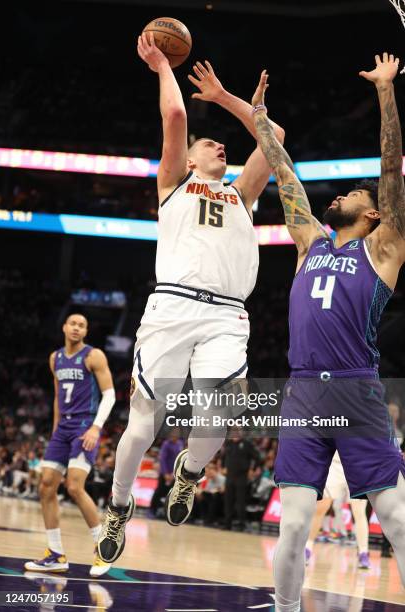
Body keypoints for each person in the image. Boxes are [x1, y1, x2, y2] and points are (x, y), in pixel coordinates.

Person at [97, 32, 285, 564]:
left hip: (227, 315)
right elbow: (176, 117)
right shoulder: (174, 183)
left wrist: (227, 98)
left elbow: (276, 138)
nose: (219, 146)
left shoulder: (242, 194)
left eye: (221, 144)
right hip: (172, 307)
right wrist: (161, 65)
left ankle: (189, 473)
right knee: (142, 423)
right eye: (211, 144)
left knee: (216, 417)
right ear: (191, 158)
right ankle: (118, 504)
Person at [252, 53, 405, 611]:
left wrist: (385, 92)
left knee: (395, 518)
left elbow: (392, 173)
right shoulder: (309, 242)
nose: (339, 195)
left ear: (373, 216)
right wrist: (260, 120)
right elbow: (285, 172)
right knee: (293, 527)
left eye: (354, 196)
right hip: (302, 393)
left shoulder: (383, 248)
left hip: (357, 387)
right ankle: (286, 608)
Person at [25, 314, 116, 577]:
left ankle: (104, 549)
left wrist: (96, 427)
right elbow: (57, 396)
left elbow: (109, 395)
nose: (76, 328)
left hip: (85, 425)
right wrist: (55, 430)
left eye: (82, 325)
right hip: (62, 429)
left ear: (86, 331)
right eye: (72, 324)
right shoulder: (55, 359)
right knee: (45, 486)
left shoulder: (94, 356)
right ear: (64, 327)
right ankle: (55, 555)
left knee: (75, 486)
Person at [305, 452, 370, 569]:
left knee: (359, 511)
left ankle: (363, 552)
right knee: (321, 508)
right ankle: (307, 548)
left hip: (358, 464)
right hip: (335, 464)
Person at [222, 428, 260, 530]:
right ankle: (227, 524)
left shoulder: (247, 444)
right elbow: (223, 457)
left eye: (237, 430)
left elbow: (257, 457)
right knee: (228, 501)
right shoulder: (228, 443)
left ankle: (241, 524)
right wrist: (223, 467)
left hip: (241, 476)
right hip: (230, 476)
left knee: (240, 501)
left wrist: (252, 469)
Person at [150, 429, 184, 517]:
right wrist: (165, 473)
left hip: (174, 473)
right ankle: (152, 509)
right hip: (165, 473)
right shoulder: (166, 444)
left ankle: (167, 512)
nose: (175, 434)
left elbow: (180, 459)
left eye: (177, 433)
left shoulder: (180, 443)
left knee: (172, 492)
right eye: (174, 432)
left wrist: (175, 473)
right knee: (160, 491)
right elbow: (163, 459)